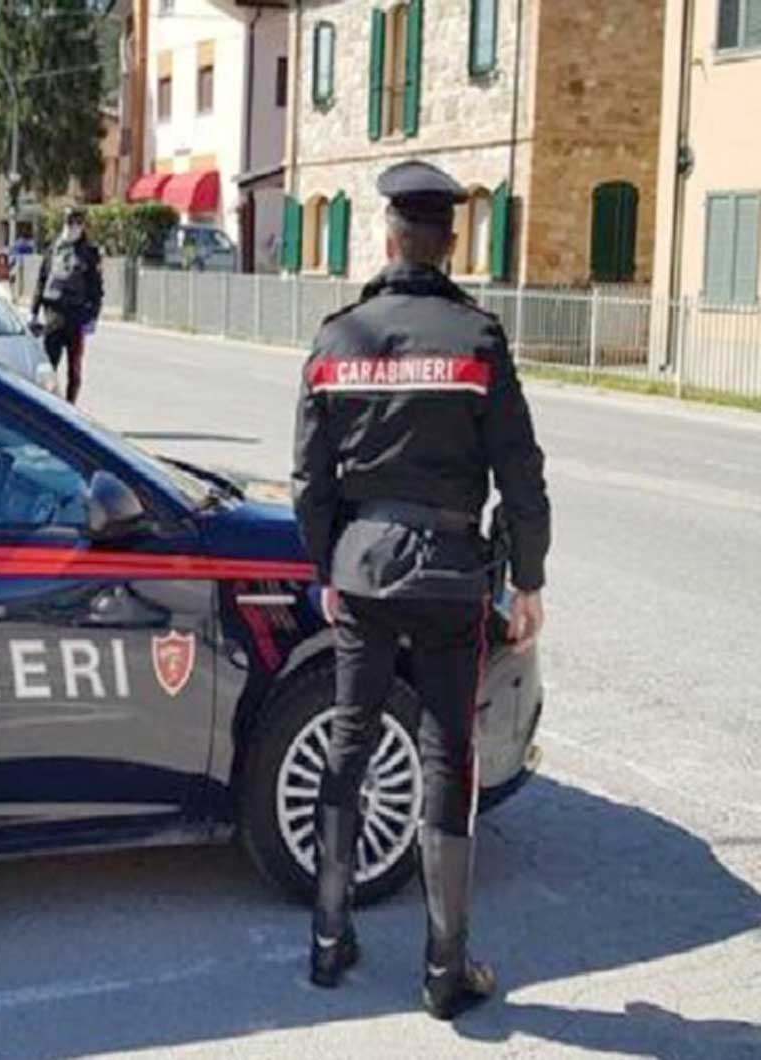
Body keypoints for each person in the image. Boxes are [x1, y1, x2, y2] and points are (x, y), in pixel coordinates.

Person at [291, 160, 551, 1020]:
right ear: (450, 242)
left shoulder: (336, 341)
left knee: (350, 739)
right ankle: (446, 968)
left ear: (387, 237)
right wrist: (529, 580)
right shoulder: (477, 340)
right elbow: (520, 471)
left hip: (361, 569)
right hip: (447, 575)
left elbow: (308, 480)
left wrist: (327, 564)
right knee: (449, 755)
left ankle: (329, 941)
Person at [32, 207, 103, 404]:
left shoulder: (89, 253)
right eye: (70, 223)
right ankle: (48, 404)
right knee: (48, 367)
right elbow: (41, 281)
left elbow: (96, 288)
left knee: (74, 369)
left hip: (76, 316)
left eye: (78, 223)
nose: (73, 227)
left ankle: (70, 407)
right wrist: (34, 312)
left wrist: (93, 316)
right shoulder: (54, 248)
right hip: (53, 315)